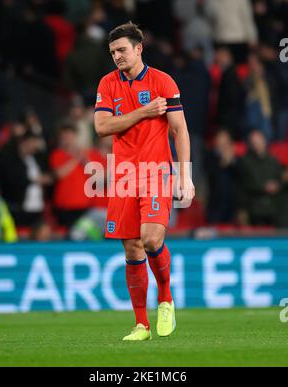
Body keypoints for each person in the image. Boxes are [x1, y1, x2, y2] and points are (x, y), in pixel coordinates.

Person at [94, 22, 195, 341]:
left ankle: (165, 300)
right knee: (132, 250)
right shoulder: (108, 84)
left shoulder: (162, 81)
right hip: (123, 176)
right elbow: (102, 127)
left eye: (122, 49)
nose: (117, 56)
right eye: (112, 52)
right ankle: (141, 325)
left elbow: (179, 130)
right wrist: (144, 111)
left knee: (151, 239)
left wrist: (185, 175)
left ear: (139, 48)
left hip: (156, 173)